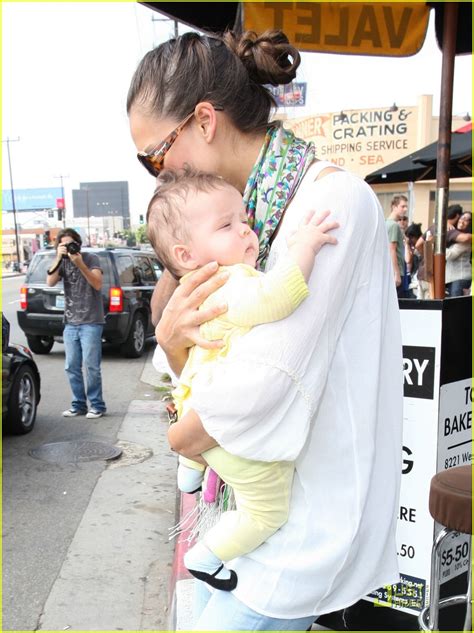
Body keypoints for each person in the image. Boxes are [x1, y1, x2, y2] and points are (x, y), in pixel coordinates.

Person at [127, 29, 403, 631]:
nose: (156, 175)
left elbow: (266, 381)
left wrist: (182, 431)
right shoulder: (224, 223)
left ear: (204, 120)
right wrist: (174, 351)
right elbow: (185, 356)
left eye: (154, 154)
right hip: (238, 515)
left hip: (300, 525)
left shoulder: (328, 203)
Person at [147, 167, 339, 590]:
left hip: (196, 413)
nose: (246, 233)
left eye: (245, 221)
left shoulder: (201, 286)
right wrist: (304, 248)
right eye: (227, 225)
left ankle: (189, 471)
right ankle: (208, 556)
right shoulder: (231, 283)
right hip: (225, 435)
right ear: (185, 254)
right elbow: (278, 298)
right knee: (267, 512)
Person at [46, 228, 106, 419]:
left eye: (71, 243)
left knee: (91, 367)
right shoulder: (61, 262)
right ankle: (78, 405)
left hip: (91, 321)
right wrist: (58, 257)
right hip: (70, 322)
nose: (69, 247)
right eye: (64, 244)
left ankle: (97, 405)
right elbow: (50, 282)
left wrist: (79, 263)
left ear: (78, 243)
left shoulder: (91, 258)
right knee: (71, 366)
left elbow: (97, 283)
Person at [386, 194, 408, 297]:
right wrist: (397, 273)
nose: (405, 209)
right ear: (394, 207)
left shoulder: (387, 223)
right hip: (396, 271)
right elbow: (392, 249)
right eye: (402, 206)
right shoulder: (393, 225)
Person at [446, 211, 472, 297]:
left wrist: (436, 246)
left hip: (460, 278)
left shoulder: (466, 240)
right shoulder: (455, 237)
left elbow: (450, 255)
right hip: (453, 279)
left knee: (456, 307)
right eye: (461, 217)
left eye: (466, 220)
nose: (462, 220)